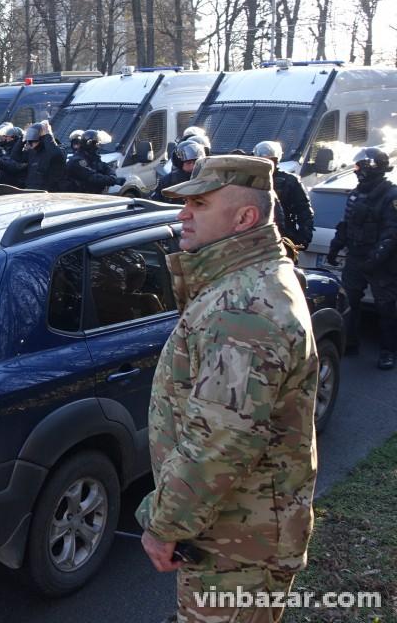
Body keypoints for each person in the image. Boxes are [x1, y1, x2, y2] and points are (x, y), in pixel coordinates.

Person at [136, 155, 318, 623]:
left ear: (244, 217)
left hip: (239, 549)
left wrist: (163, 525)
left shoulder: (243, 308)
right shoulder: (242, 284)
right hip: (234, 533)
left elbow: (219, 441)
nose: (182, 214)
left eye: (199, 203)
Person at [326, 147, 397, 370]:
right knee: (349, 303)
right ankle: (351, 343)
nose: (356, 171)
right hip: (356, 258)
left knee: (386, 308)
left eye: (360, 167)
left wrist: (375, 258)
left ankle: (388, 352)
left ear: (371, 169)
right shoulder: (356, 193)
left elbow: (391, 232)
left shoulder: (391, 195)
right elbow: (346, 225)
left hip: (382, 263)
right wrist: (335, 247)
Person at [253, 140, 314, 249]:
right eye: (262, 160)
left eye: (271, 160)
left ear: (276, 161)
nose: (266, 164)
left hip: (282, 236)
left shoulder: (289, 181)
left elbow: (304, 210)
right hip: (253, 237)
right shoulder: (248, 179)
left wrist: (303, 238)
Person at [66, 129, 123, 194]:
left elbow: (105, 167)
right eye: (96, 144)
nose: (98, 147)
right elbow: (92, 177)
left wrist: (112, 175)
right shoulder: (77, 160)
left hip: (91, 195)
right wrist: (113, 181)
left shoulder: (92, 157)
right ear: (90, 144)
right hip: (78, 197)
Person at [152, 138, 205, 202]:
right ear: (180, 164)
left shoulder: (207, 178)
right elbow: (156, 203)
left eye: (196, 162)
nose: (193, 166)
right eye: (188, 163)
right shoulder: (167, 181)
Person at [23, 121, 67, 192]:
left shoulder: (58, 150)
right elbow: (15, 158)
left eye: (33, 141)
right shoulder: (33, 153)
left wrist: (47, 135)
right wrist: (23, 138)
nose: (31, 144)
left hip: (49, 193)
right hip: (31, 191)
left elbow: (55, 155)